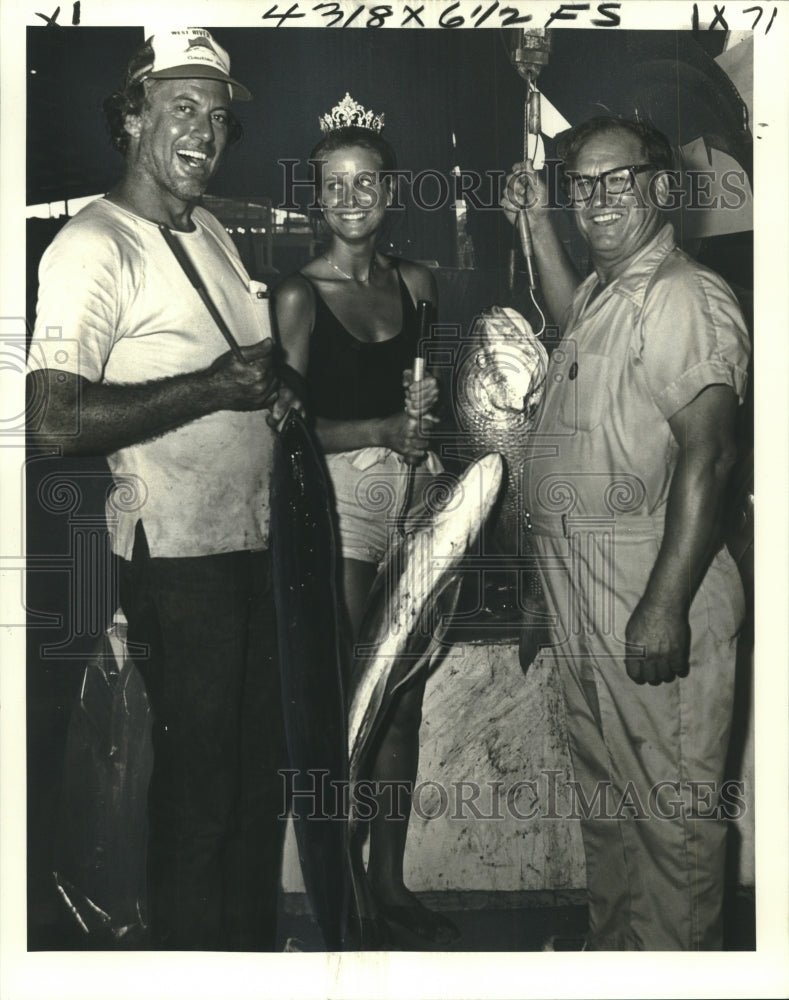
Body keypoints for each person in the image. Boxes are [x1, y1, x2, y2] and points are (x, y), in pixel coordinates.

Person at [26, 29, 299, 951]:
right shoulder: (89, 246)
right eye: (181, 107)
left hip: (251, 550)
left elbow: (237, 371)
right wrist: (214, 388)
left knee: (256, 788)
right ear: (131, 116)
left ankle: (247, 961)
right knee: (196, 800)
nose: (205, 130)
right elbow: (53, 420)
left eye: (217, 116)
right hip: (177, 565)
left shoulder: (211, 230)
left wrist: (272, 396)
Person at [501, 117, 750, 949]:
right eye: (583, 184)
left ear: (657, 187)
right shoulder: (613, 293)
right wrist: (534, 223)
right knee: (609, 815)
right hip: (584, 604)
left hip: (647, 591)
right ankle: (615, 966)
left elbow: (708, 457)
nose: (598, 199)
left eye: (619, 180)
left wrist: (664, 607)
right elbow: (574, 309)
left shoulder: (682, 294)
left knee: (670, 831)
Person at [273, 96, 459, 946]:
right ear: (317, 199)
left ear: (390, 191)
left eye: (367, 182)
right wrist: (382, 429)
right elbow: (287, 428)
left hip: (412, 499)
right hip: (343, 507)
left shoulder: (418, 283)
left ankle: (390, 884)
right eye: (334, 185)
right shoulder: (296, 296)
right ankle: (340, 889)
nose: (351, 198)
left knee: (405, 703)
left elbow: (437, 403)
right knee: (356, 704)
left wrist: (423, 419)